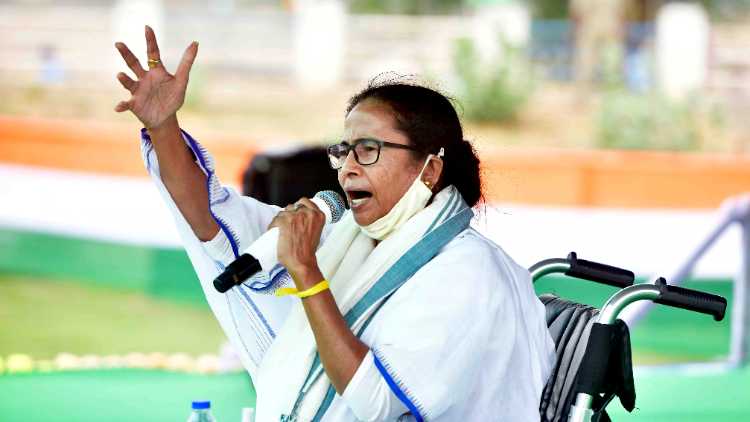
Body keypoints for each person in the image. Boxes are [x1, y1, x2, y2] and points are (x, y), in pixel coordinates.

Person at [114, 26, 555, 421]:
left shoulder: (470, 273)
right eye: (344, 151)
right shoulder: (351, 238)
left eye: (368, 149)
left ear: (430, 170)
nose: (346, 169)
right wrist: (164, 126)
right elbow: (212, 221)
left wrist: (307, 274)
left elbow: (381, 402)